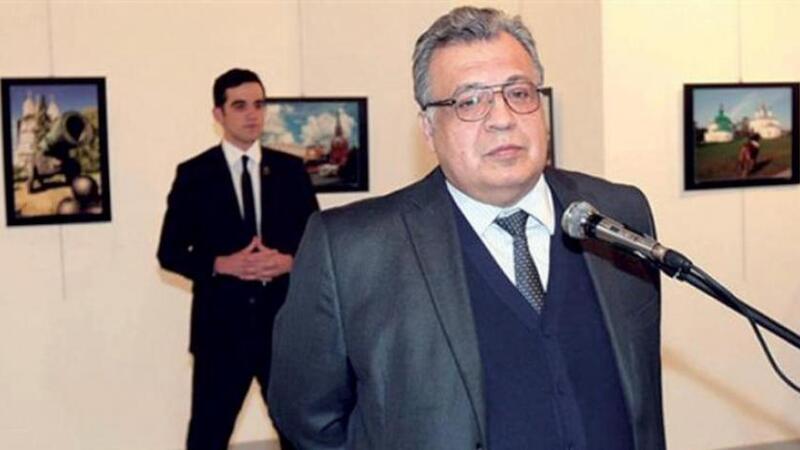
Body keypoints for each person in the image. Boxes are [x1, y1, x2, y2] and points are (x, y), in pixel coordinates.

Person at [269, 6, 665, 450]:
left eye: (519, 92)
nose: (502, 118)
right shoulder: (351, 250)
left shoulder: (618, 213)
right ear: (428, 127)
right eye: (470, 101)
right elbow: (307, 418)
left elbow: (643, 395)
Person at [158, 68, 318, 450]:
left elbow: (318, 244)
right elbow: (169, 252)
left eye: (259, 105)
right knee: (208, 438)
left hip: (282, 330)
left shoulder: (291, 171)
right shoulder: (195, 175)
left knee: (302, 437)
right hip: (221, 332)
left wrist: (291, 262)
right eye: (240, 105)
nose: (252, 114)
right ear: (219, 114)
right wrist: (220, 264)